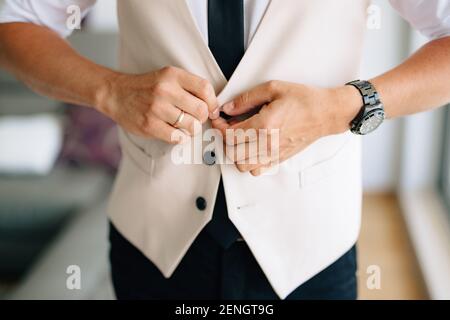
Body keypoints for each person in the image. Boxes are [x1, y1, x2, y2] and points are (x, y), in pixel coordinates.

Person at [0, 0, 449, 300]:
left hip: (309, 249)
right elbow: (15, 19)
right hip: (153, 241)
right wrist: (110, 92)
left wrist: (341, 107)